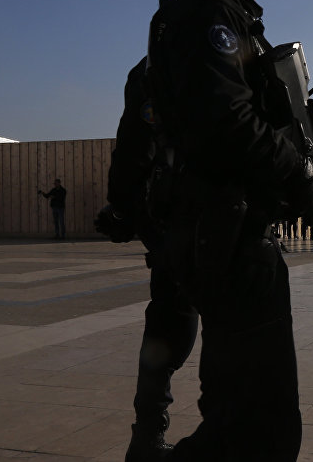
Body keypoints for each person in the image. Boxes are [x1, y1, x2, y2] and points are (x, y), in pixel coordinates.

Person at [135, 0, 313, 459]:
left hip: (205, 234)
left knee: (235, 416)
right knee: (262, 431)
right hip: (232, 240)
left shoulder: (185, 19)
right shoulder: (212, 19)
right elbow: (233, 126)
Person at [95, 59, 201, 462]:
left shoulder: (157, 58)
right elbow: (136, 146)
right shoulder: (167, 60)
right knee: (176, 329)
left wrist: (122, 209)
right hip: (187, 219)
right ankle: (151, 436)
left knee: (175, 328)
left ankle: (151, 436)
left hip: (188, 220)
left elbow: (132, 148)